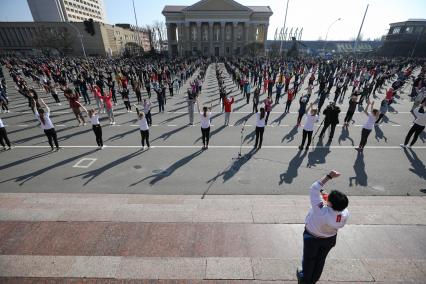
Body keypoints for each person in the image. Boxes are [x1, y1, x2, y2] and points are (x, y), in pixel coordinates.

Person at [297, 170, 349, 284]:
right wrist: (326, 197)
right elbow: (334, 205)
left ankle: (305, 280)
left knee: (309, 260)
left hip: (312, 237)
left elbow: (314, 188)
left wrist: (329, 176)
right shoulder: (344, 213)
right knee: (320, 261)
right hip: (329, 239)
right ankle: (313, 281)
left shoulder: (320, 211)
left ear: (329, 204)